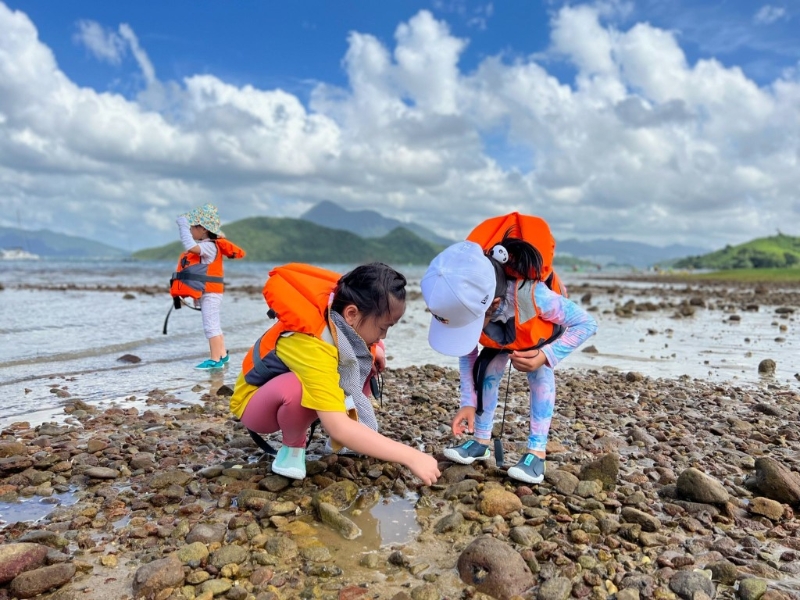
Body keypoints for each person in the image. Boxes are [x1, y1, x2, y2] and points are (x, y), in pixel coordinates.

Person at [421, 213, 597, 485]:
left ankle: (536, 453)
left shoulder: (536, 297)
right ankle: (480, 441)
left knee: (540, 376)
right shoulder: (466, 301)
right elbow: (468, 354)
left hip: (534, 336)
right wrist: (468, 402)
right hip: (502, 335)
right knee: (488, 367)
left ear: (493, 303)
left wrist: (545, 356)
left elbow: (586, 323)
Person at [229, 262, 441, 485]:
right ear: (351, 313)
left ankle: (349, 439)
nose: (384, 335)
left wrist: (376, 348)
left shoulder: (339, 320)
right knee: (298, 387)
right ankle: (292, 448)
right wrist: (411, 456)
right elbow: (337, 427)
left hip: (289, 388)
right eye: (382, 328)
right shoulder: (311, 345)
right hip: (256, 405)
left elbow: (364, 344)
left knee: (367, 356)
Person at [172, 204, 245, 370]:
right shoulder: (211, 245)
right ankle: (222, 355)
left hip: (211, 293)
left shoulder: (209, 246)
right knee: (215, 325)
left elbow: (190, 246)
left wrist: (182, 225)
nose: (190, 230)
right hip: (211, 292)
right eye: (189, 227)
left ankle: (214, 360)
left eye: (192, 227)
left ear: (203, 229)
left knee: (210, 326)